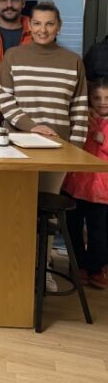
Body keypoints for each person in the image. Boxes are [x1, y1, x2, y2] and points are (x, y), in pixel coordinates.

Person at [0, 0, 88, 292]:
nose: (43, 29)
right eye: (37, 23)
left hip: (57, 151)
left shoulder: (73, 61)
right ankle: (15, 267)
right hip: (18, 145)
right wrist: (31, 126)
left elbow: (80, 109)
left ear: (59, 26)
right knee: (15, 209)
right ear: (29, 25)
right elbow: (5, 100)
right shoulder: (13, 56)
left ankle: (43, 268)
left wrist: (75, 152)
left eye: (49, 24)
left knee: (46, 213)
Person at [62, 78, 108, 289]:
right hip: (77, 184)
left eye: (107, 97)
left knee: (99, 231)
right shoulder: (84, 119)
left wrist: (103, 140)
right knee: (73, 227)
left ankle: (96, 268)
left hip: (102, 190)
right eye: (97, 97)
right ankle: (77, 264)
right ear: (90, 98)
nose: (103, 102)